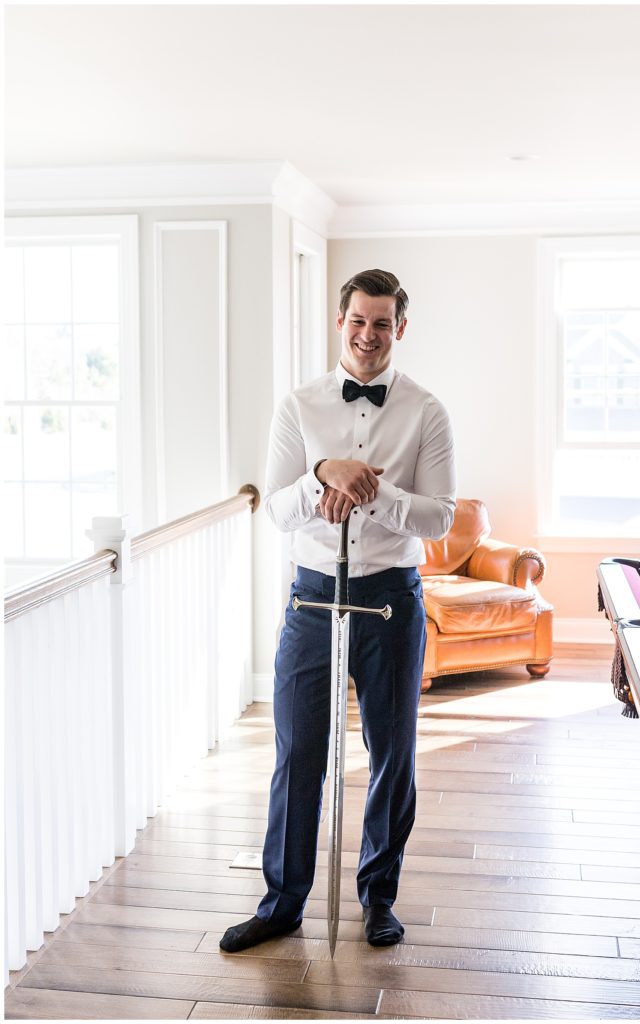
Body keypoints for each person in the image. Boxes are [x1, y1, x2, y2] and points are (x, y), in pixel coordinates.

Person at [220, 269, 456, 952]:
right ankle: (281, 903)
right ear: (340, 320)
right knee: (297, 755)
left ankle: (378, 898)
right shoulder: (297, 406)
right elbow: (276, 508)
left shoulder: (427, 411)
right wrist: (322, 472)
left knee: (393, 756)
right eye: (358, 320)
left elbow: (440, 518)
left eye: (382, 323)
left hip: (391, 600)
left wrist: (371, 492)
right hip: (312, 596)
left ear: (399, 329)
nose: (368, 334)